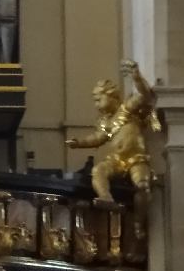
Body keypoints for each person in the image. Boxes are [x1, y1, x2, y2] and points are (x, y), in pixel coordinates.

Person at [65, 59, 159, 205]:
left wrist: (136, 77)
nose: (96, 105)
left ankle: (139, 218)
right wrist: (79, 143)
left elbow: (144, 95)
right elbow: (98, 138)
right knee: (98, 171)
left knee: (142, 185)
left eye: (98, 100)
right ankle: (106, 197)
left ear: (110, 95)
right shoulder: (105, 122)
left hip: (136, 158)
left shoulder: (127, 109)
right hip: (116, 159)